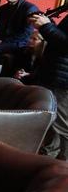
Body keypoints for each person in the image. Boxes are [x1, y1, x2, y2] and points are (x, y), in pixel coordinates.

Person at [29, 12, 68, 160]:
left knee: (63, 125)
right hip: (56, 74)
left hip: (63, 80)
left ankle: (63, 169)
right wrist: (48, 23)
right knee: (53, 122)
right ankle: (48, 158)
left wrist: (46, 26)